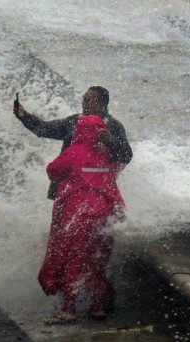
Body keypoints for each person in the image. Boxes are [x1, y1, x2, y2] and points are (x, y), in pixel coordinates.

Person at [37, 115, 125, 324]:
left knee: (73, 260)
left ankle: (69, 310)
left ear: (81, 131)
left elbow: (52, 170)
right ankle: (97, 307)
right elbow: (117, 167)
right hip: (105, 215)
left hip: (78, 215)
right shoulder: (107, 154)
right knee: (98, 260)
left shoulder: (73, 152)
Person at [14, 86, 132, 199]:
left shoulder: (114, 127)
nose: (83, 104)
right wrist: (24, 116)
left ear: (101, 106)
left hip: (99, 192)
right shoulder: (74, 121)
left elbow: (126, 156)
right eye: (83, 100)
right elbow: (45, 128)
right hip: (67, 190)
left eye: (87, 101)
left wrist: (110, 140)